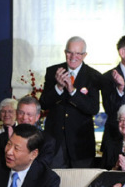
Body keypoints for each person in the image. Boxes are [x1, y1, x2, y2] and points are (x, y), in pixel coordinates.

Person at [39, 36, 102, 168]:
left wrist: (72, 91)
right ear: (65, 52)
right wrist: (59, 87)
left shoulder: (93, 76)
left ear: (84, 55)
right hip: (55, 141)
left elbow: (93, 108)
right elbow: (43, 103)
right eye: (70, 52)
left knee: (80, 184)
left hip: (81, 144)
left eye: (78, 53)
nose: (73, 56)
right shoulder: (53, 71)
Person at [0, 96, 55, 167]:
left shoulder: (47, 141)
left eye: (29, 114)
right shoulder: (2, 138)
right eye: (21, 113)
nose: (24, 118)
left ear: (37, 117)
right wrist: (10, 143)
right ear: (16, 114)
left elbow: (41, 168)